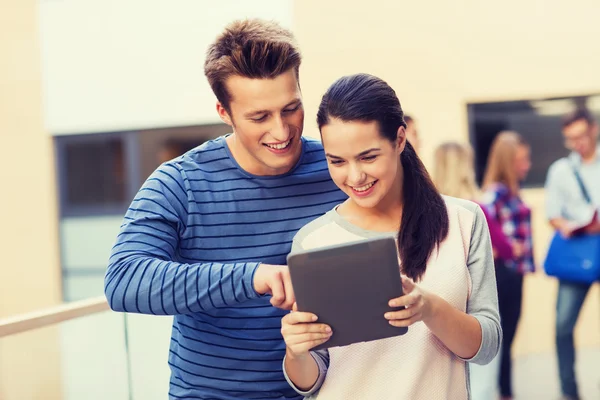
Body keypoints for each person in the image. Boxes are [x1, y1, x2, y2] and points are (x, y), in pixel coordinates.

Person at [104, 19, 346, 400]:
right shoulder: (179, 182)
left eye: (291, 109)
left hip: (328, 391)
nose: (281, 132)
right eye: (259, 117)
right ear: (223, 111)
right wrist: (251, 277)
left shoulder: (339, 170)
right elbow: (124, 281)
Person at [280, 74, 501, 400]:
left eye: (368, 157)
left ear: (399, 140)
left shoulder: (463, 221)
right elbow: (311, 379)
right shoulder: (313, 240)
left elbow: (485, 347)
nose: (354, 176)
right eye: (337, 161)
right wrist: (296, 352)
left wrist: (428, 308)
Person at [433, 142, 513, 400]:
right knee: (482, 378)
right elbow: (505, 248)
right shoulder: (474, 210)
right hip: (474, 306)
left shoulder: (424, 210)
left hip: (440, 304)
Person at [544, 108, 600, 400]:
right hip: (577, 252)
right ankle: (569, 392)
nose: (577, 143)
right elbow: (552, 214)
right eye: (570, 139)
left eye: (581, 136)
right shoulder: (561, 170)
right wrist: (567, 226)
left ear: (593, 129)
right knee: (563, 325)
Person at [479, 131, 534, 400]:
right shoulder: (494, 195)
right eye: (522, 160)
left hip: (514, 273)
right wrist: (511, 248)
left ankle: (505, 392)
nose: (527, 165)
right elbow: (485, 233)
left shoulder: (511, 193)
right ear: (508, 161)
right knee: (502, 339)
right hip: (504, 275)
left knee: (508, 339)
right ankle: (503, 393)